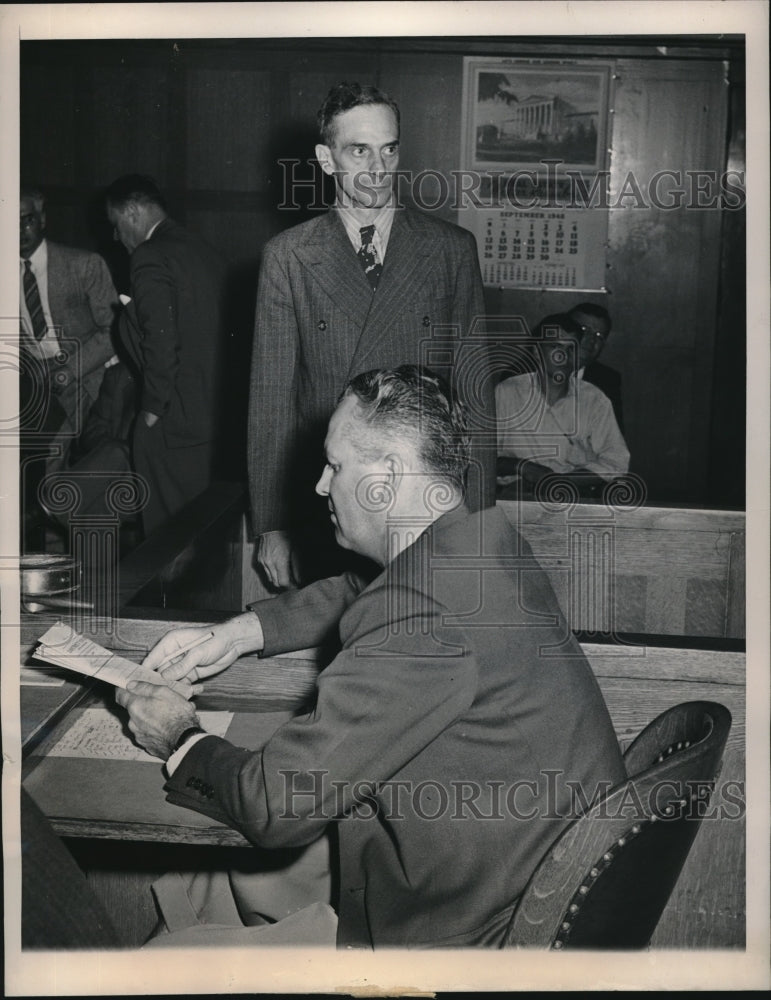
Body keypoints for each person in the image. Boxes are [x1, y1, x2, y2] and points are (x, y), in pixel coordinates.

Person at [115, 365, 626, 950]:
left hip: (468, 939)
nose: (320, 486)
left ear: (387, 476)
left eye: (335, 466)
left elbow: (274, 803)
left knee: (160, 957)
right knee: (209, 876)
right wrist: (241, 632)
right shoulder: (482, 541)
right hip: (493, 870)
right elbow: (365, 592)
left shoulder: (419, 619)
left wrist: (177, 736)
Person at [249, 81, 495, 591]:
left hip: (424, 502)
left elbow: (475, 395)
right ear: (326, 158)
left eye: (389, 149)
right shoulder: (289, 256)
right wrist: (272, 523)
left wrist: (480, 513)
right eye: (358, 151)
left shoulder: (450, 249)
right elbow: (271, 404)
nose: (378, 169)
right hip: (332, 502)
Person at [105, 174, 227, 537]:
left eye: (115, 225)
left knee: (167, 539)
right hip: (212, 417)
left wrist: (152, 411)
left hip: (173, 421)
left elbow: (162, 343)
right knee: (204, 532)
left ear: (131, 211)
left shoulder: (149, 255)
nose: (115, 237)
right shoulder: (200, 246)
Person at [19, 185, 119, 544]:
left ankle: (54, 562)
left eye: (26, 220)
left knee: (49, 466)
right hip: (35, 382)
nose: (18, 231)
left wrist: (66, 370)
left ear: (43, 219)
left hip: (87, 378)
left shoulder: (83, 264)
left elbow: (114, 331)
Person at [496, 313, 630, 500]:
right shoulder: (506, 392)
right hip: (516, 494)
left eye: (571, 349)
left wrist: (563, 481)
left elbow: (616, 461)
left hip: (575, 493)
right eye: (555, 347)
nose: (563, 356)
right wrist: (525, 467)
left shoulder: (594, 399)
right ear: (536, 352)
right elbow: (480, 455)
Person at [567, 302, 624, 432]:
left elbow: (613, 439)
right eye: (584, 330)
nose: (591, 340)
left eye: (599, 336)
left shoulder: (607, 380)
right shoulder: (525, 372)